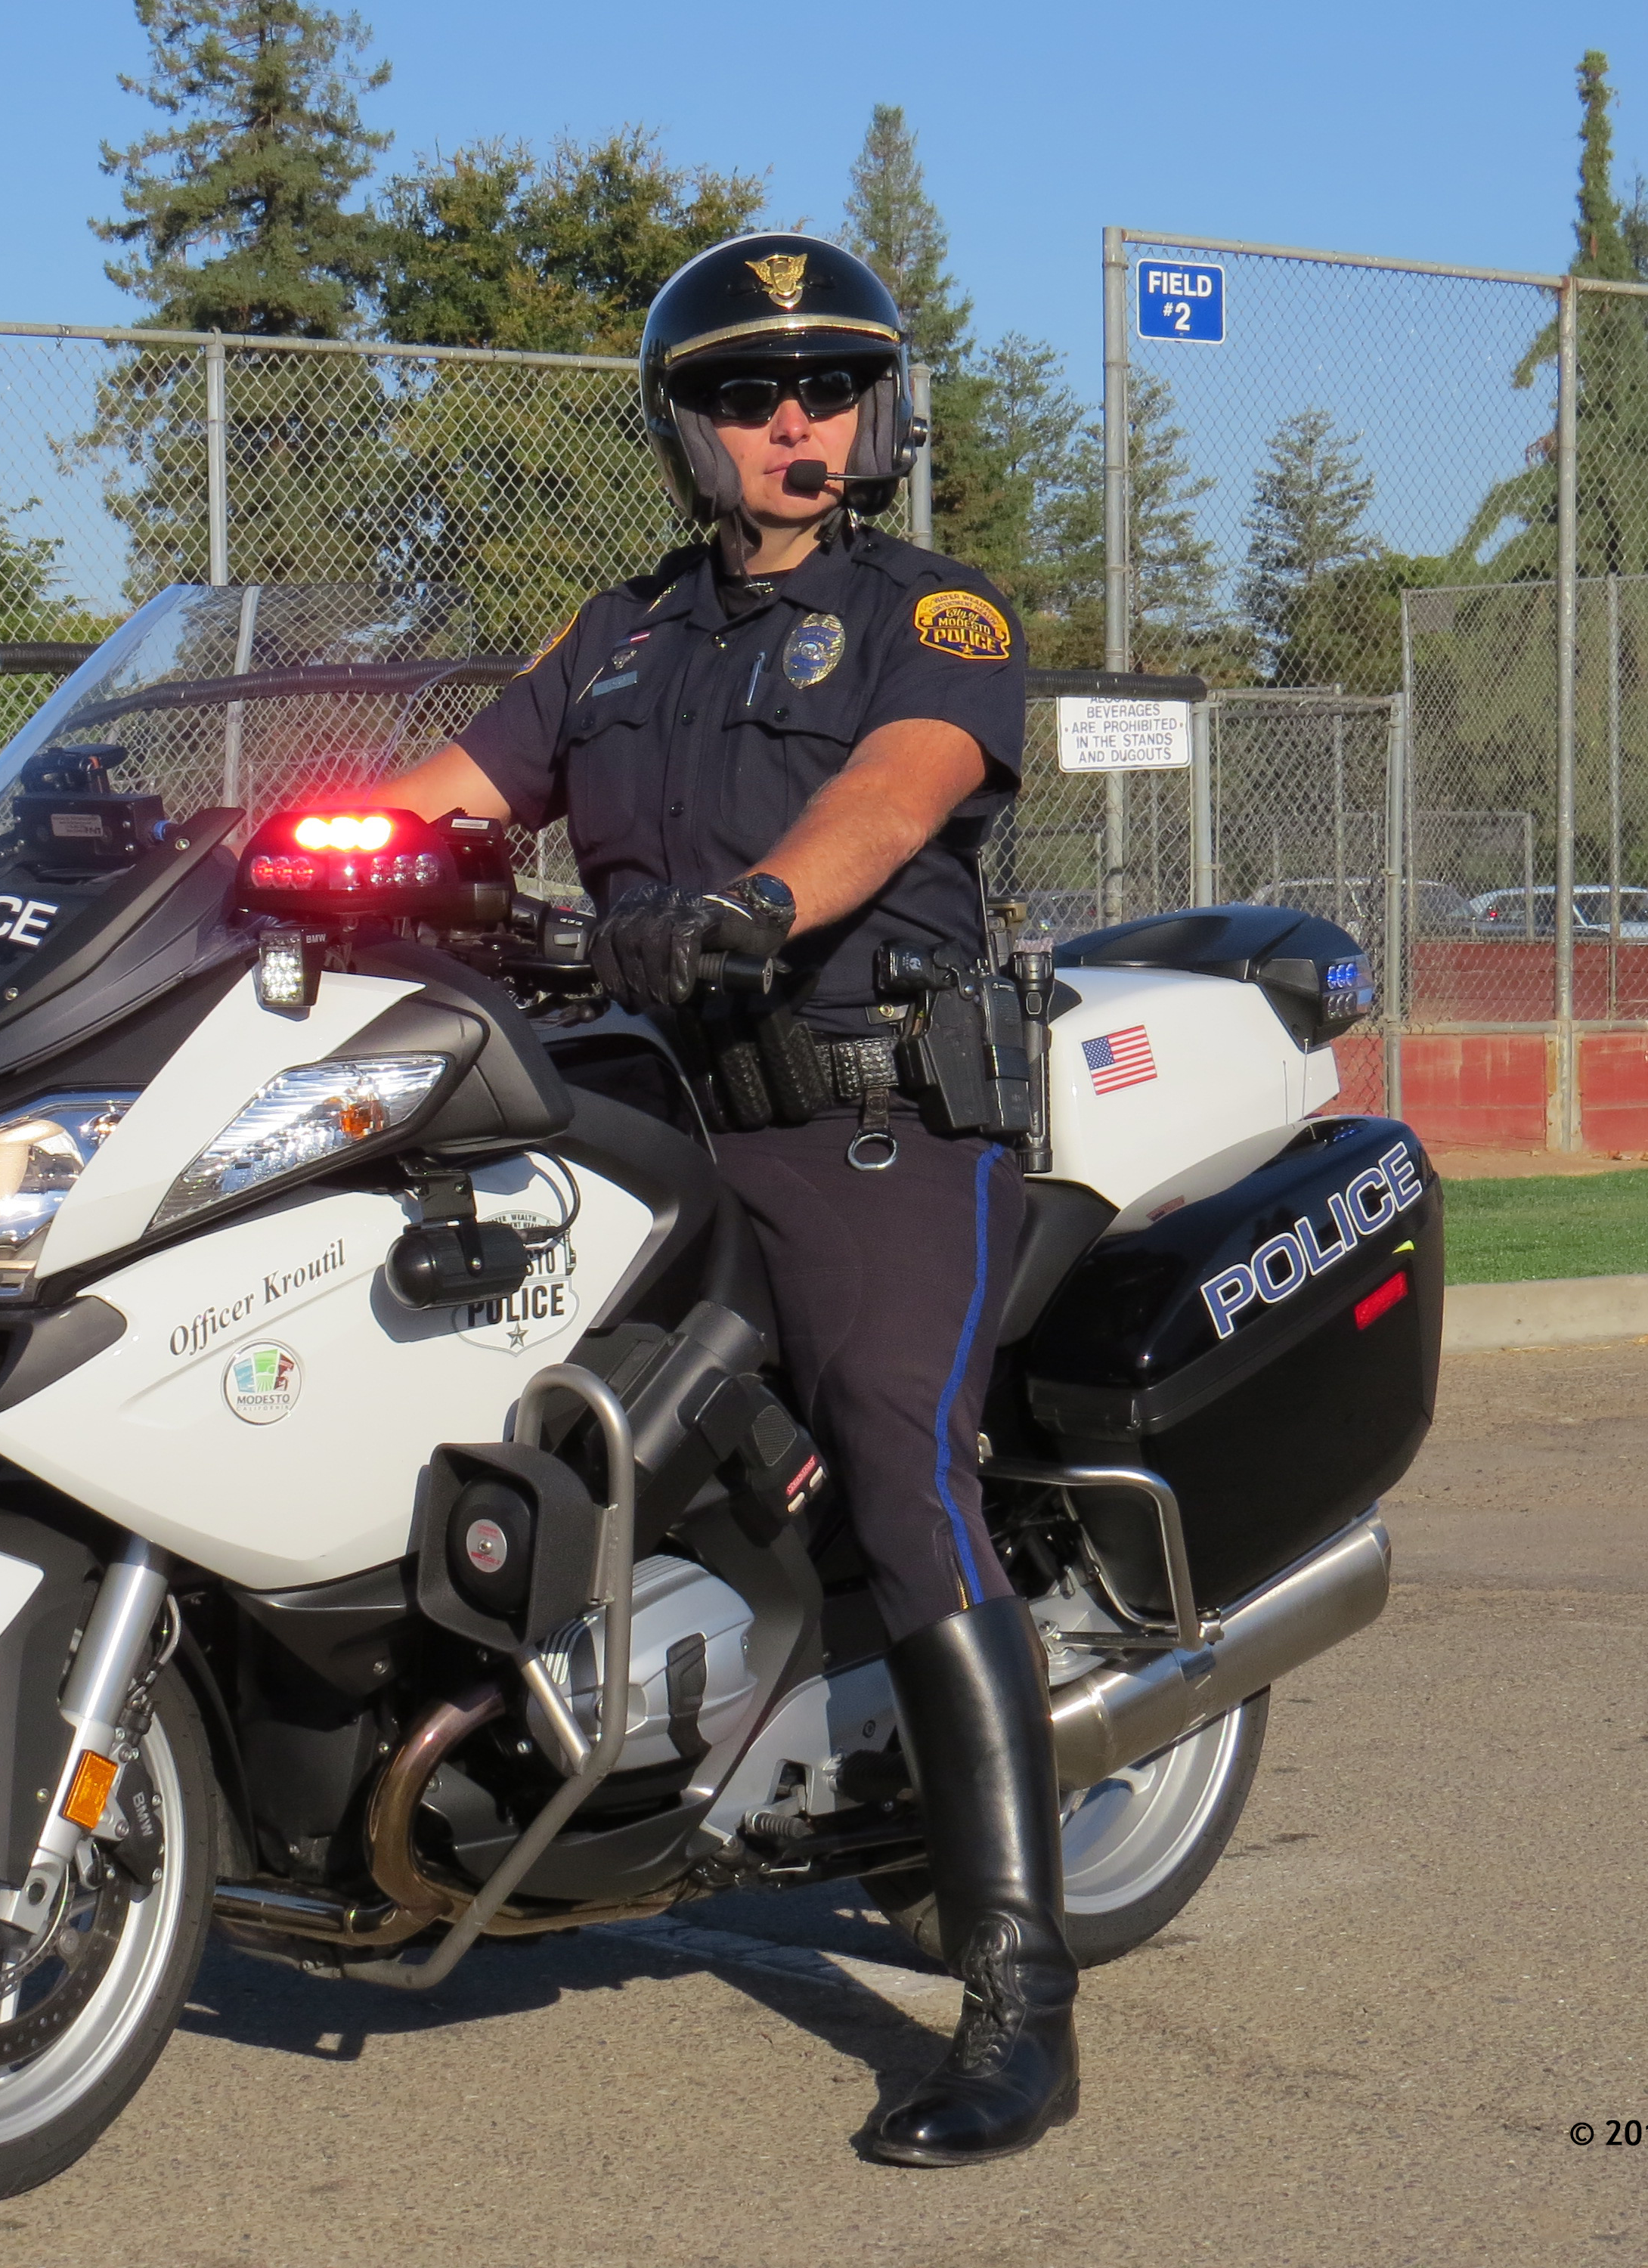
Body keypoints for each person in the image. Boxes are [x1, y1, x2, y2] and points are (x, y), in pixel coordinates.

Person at [392, 231, 1073, 2168]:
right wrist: (280, 861)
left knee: (891, 1457)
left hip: (863, 1118)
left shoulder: (925, 614)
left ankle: (1018, 1989)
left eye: (827, 389)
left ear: (874, 414)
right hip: (639, 1116)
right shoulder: (605, 640)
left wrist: (764, 900)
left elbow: (899, 789)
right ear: (681, 429)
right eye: (743, 395)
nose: (793, 420)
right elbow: (446, 790)